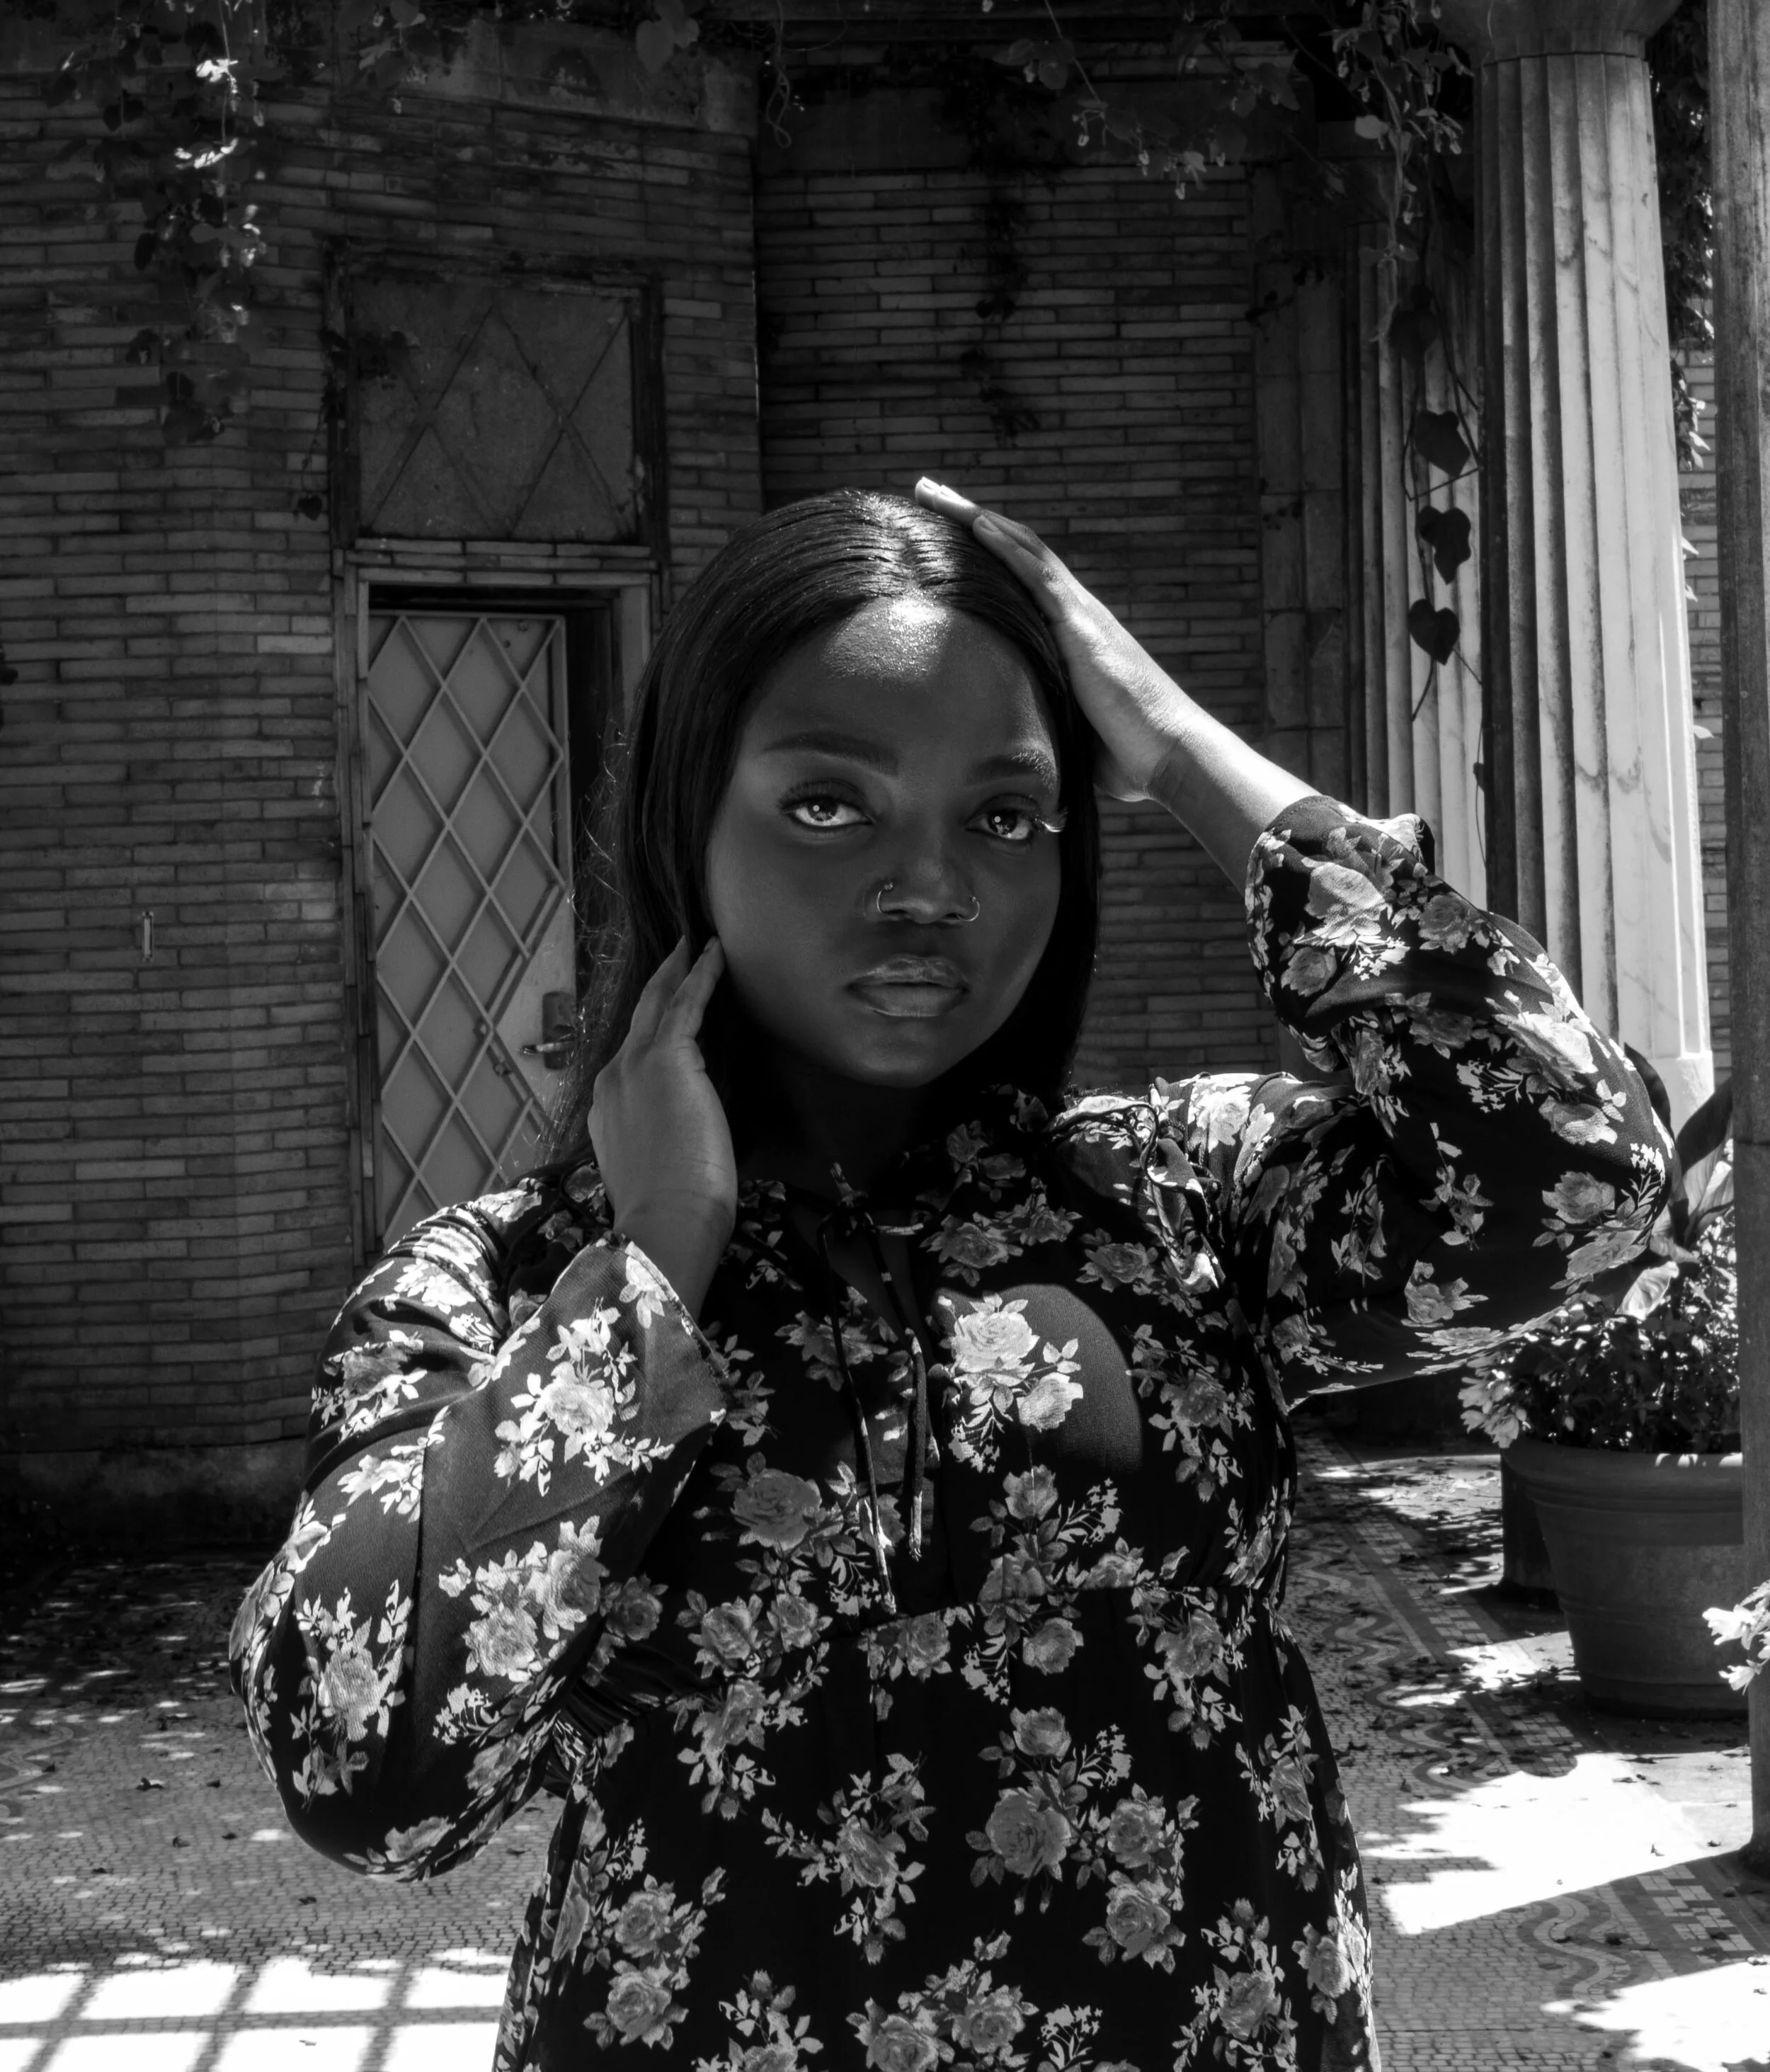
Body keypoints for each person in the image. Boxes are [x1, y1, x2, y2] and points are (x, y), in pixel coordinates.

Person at [232, 482, 1669, 2072]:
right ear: (682, 824)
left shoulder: (1182, 1197)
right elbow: (361, 1772)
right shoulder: (499, 1283)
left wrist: (1177, 746)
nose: (930, 886)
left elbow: (1575, 1180)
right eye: (828, 804)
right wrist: (652, 1269)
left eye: (1002, 814)